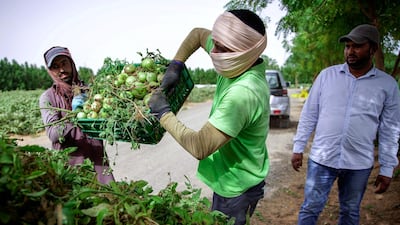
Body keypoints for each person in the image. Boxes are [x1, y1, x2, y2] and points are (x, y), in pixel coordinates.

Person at [149, 9, 270, 225]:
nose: (213, 52)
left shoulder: (244, 93)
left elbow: (200, 146)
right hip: (234, 179)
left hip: (236, 188)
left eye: (222, 49)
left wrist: (163, 113)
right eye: (215, 44)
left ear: (243, 52)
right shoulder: (239, 62)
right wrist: (177, 64)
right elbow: (197, 34)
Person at [291, 24, 400, 225]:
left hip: (358, 163)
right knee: (310, 208)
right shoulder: (327, 76)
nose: (350, 51)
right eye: (348, 46)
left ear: (373, 49)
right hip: (322, 159)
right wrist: (298, 147)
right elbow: (309, 114)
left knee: (350, 212)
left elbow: (390, 130)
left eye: (357, 46)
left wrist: (387, 167)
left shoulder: (387, 85)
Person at [39, 46, 115, 185]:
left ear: (71, 64)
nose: (61, 70)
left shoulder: (90, 91)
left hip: (98, 161)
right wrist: (75, 116)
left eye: (64, 63)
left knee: (110, 197)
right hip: (72, 166)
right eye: (56, 66)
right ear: (51, 71)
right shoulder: (48, 97)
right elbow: (53, 133)